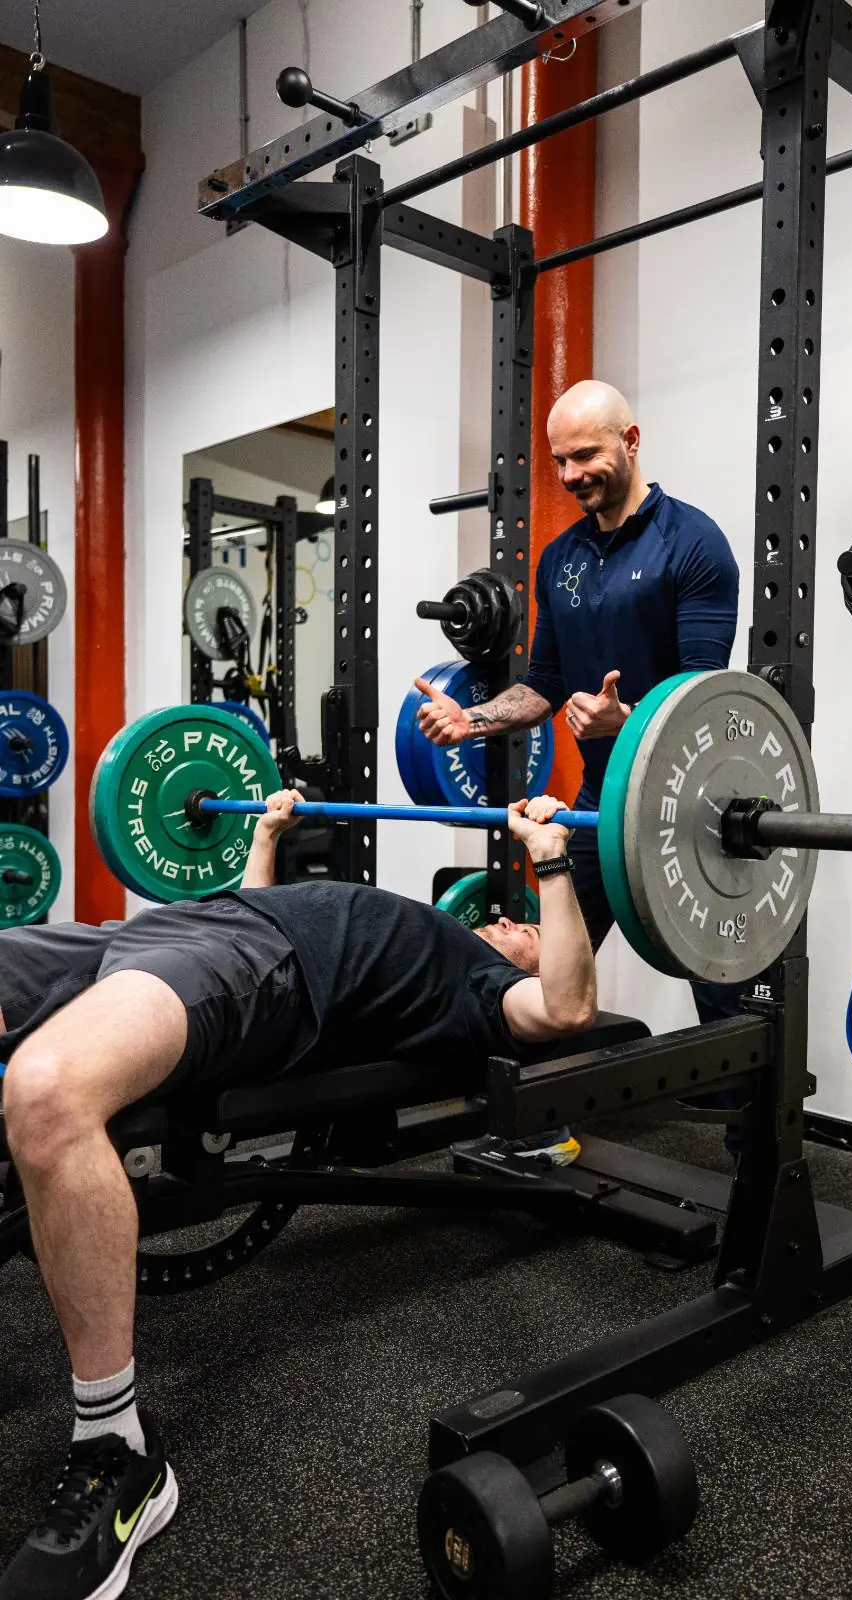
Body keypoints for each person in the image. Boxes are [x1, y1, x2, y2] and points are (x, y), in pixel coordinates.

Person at [0, 791, 593, 1600]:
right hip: (185, 926)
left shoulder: (475, 983)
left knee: (46, 1093)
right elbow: (265, 911)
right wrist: (266, 836)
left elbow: (567, 1007)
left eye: (526, 927)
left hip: (251, 967)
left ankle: (117, 1447)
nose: (504, 919)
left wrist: (549, 860)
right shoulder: (425, 926)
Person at [416, 379, 742, 1162]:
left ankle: (755, 1155)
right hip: (600, 804)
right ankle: (533, 1128)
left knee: (722, 993)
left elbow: (703, 695)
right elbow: (544, 682)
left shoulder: (694, 545)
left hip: (687, 805)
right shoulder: (559, 558)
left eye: (585, 455)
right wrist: (472, 720)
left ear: (630, 441)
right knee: (547, 960)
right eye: (560, 460)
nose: (570, 475)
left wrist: (627, 723)